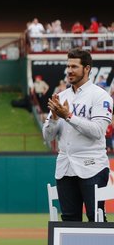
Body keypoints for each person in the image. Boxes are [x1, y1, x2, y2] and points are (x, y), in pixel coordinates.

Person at [43, 49, 112, 222]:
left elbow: (98, 131)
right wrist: (53, 117)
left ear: (87, 68)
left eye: (74, 66)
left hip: (92, 166)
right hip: (65, 166)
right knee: (69, 220)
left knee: (95, 217)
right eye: (68, 66)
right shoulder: (61, 96)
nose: (69, 70)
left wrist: (68, 116)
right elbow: (48, 137)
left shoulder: (100, 95)